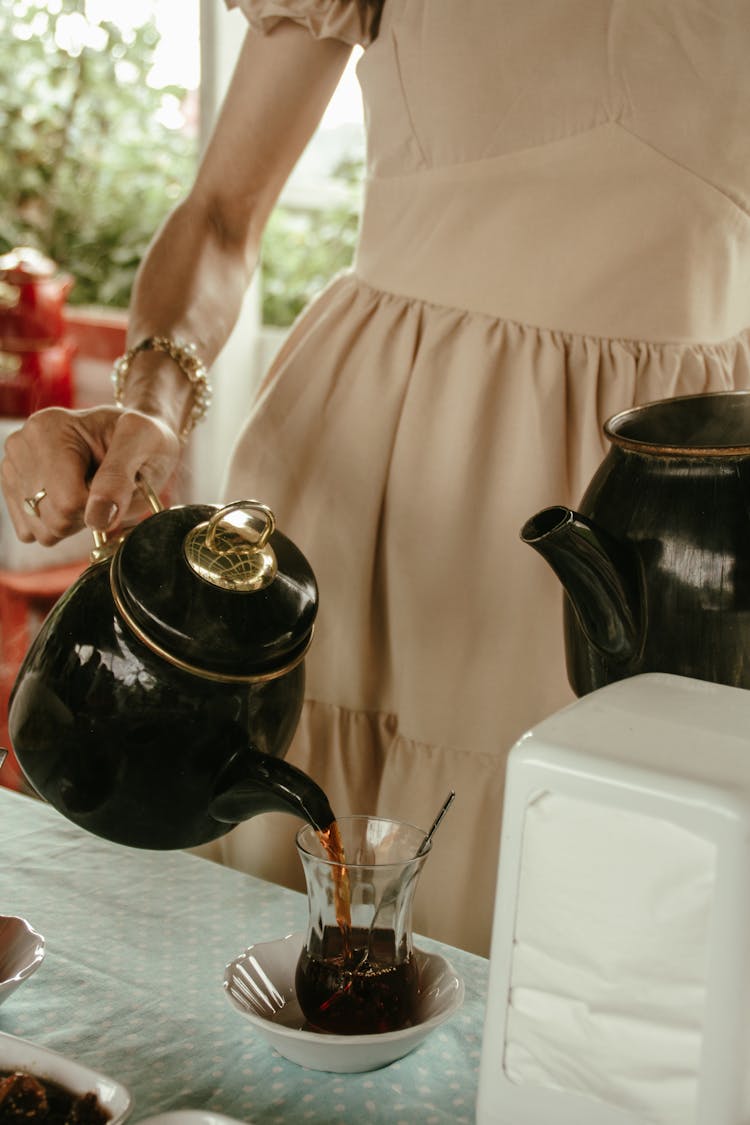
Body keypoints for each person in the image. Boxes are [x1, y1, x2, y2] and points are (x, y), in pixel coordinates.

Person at [3, 0, 750, 956]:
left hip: (676, 522)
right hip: (381, 490)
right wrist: (151, 398)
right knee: (308, 943)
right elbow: (224, 215)